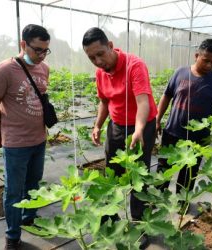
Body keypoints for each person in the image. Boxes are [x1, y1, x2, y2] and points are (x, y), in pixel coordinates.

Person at [82, 27, 157, 248]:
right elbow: (104, 102)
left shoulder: (135, 65)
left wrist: (139, 128)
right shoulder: (100, 73)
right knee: (111, 172)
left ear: (111, 46)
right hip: (117, 124)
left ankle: (139, 225)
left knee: (138, 175)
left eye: (100, 54)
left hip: (142, 124)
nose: (97, 60)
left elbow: (143, 101)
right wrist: (97, 125)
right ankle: (110, 219)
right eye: (91, 57)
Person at [0, 24, 51, 250]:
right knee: (13, 190)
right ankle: (12, 236)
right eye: (37, 50)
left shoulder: (44, 69)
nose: (42, 55)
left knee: (33, 183)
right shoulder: (4, 70)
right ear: (23, 45)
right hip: (16, 143)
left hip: (39, 140)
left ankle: (29, 218)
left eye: (46, 50)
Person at [156, 38, 212, 195]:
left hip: (199, 138)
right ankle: (157, 198)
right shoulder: (180, 72)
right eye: (206, 60)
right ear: (196, 55)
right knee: (164, 168)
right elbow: (166, 96)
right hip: (173, 132)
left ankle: (182, 202)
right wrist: (157, 119)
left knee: (189, 173)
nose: (209, 65)